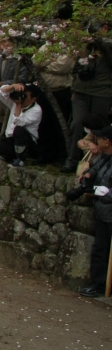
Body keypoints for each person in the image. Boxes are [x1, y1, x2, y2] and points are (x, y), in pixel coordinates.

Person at [67, 125, 112, 297]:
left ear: (107, 141)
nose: (97, 141)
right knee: (100, 249)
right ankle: (98, 284)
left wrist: (106, 193)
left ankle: (103, 285)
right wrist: (88, 175)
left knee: (104, 249)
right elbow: (94, 168)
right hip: (102, 212)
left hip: (109, 211)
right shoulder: (103, 157)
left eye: (99, 138)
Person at [63, 25, 112, 173]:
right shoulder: (84, 45)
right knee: (77, 124)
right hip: (80, 90)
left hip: (102, 91)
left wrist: (99, 42)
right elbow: (75, 66)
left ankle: (100, 164)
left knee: (99, 128)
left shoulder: (108, 44)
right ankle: (71, 160)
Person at [0, 83, 43, 166]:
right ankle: (9, 157)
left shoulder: (36, 110)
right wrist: (13, 86)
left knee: (19, 129)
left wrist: (18, 105)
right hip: (10, 141)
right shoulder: (15, 102)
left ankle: (21, 159)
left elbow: (19, 122)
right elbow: (0, 93)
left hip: (26, 143)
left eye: (25, 95)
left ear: (33, 99)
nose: (22, 96)